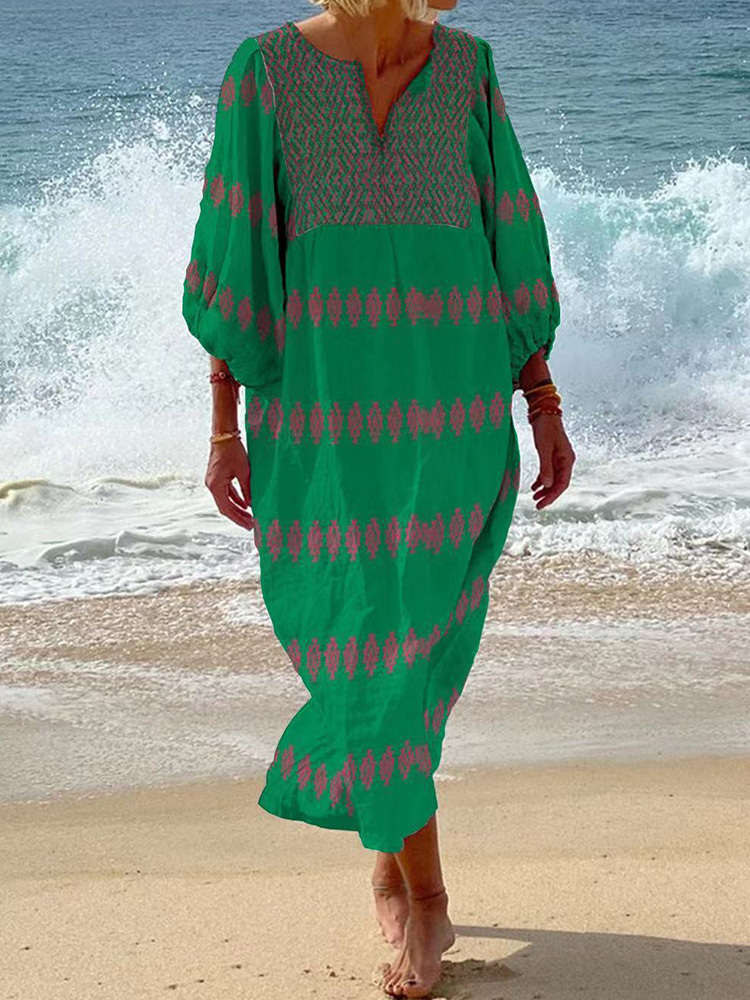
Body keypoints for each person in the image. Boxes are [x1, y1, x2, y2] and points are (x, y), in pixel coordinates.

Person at [181, 0, 575, 995]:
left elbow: (508, 239)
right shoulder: (266, 72)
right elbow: (237, 260)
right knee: (366, 649)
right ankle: (417, 884)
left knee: (414, 656)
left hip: (451, 416)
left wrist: (542, 401)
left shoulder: (469, 69)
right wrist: (224, 427)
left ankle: (408, 880)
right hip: (323, 426)